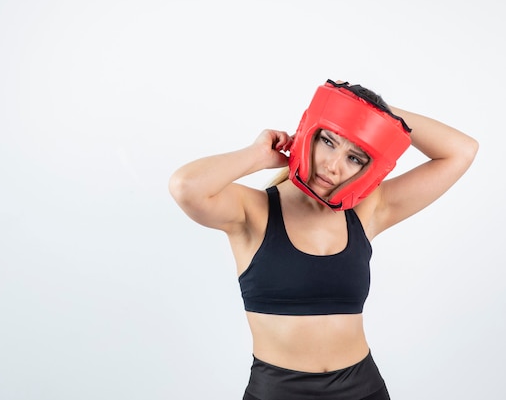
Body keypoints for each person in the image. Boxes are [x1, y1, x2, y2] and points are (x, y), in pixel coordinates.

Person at [168, 79, 479, 400]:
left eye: (354, 157)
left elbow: (461, 151)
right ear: (309, 132)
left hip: (364, 390)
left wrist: (377, 115)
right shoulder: (253, 210)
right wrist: (257, 155)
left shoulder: (368, 210)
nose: (333, 166)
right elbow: (185, 187)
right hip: (277, 393)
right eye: (329, 141)